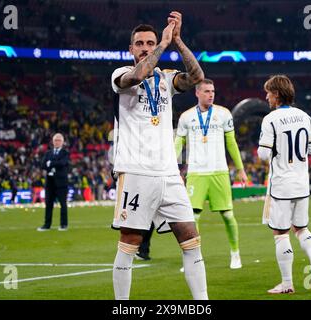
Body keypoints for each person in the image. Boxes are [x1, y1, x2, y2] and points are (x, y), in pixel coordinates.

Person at [110, 11, 208, 300]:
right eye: (139, 43)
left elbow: (197, 77)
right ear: (131, 49)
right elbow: (138, 74)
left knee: (191, 240)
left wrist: (177, 41)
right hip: (136, 172)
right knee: (129, 242)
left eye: (149, 43)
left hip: (168, 173)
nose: (144, 47)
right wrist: (163, 46)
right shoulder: (119, 75)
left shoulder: (167, 79)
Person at [257, 75, 311, 294]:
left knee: (281, 234)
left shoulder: (270, 119)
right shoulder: (305, 116)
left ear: (276, 94)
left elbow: (263, 155)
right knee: (302, 229)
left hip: (281, 186)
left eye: (268, 92)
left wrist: (276, 147)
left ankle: (287, 284)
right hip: (302, 184)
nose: (266, 96)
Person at [175, 78, 248, 270]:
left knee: (228, 215)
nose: (211, 94)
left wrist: (240, 168)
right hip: (196, 173)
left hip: (219, 171)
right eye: (207, 91)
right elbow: (178, 144)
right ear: (197, 93)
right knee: (192, 218)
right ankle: (193, 258)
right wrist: (172, 167)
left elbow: (231, 142)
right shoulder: (186, 116)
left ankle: (235, 254)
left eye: (213, 91)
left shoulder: (224, 114)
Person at [37, 133, 70, 231]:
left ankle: (64, 225)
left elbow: (62, 163)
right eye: (55, 140)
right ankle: (47, 225)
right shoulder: (48, 153)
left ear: (63, 142)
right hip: (50, 183)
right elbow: (43, 164)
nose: (57, 142)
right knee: (48, 204)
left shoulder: (65, 153)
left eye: (59, 140)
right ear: (52, 141)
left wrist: (50, 163)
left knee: (63, 204)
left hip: (61, 183)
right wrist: (54, 164)